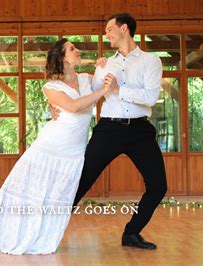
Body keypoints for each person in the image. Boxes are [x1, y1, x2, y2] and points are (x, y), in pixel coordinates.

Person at [0, 38, 115, 255]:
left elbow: (105, 80)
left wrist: (104, 66)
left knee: (54, 199)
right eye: (72, 48)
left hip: (73, 154)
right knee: (14, 192)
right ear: (61, 57)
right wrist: (103, 91)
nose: (77, 50)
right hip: (47, 149)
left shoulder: (86, 79)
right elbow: (74, 106)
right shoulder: (51, 87)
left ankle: (36, 238)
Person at [68, 13, 168, 250]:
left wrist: (118, 90)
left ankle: (132, 233)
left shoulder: (151, 61)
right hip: (108, 129)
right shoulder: (105, 64)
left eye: (109, 29)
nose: (106, 34)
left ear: (124, 29)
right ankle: (47, 227)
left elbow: (151, 97)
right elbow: (89, 96)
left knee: (158, 186)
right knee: (80, 181)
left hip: (140, 131)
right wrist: (59, 107)